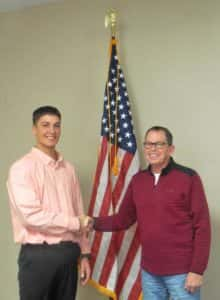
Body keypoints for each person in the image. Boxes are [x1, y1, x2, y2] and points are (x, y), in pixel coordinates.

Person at [85, 126, 211, 300]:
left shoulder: (188, 178)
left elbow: (202, 227)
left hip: (182, 273)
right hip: (150, 272)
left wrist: (197, 270)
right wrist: (92, 222)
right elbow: (123, 219)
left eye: (159, 144)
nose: (153, 149)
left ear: (171, 148)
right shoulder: (138, 181)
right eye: (149, 144)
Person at [7, 106, 91, 300]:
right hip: (39, 257)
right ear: (34, 129)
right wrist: (75, 223)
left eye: (56, 126)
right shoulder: (22, 168)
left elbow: (79, 211)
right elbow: (31, 217)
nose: (51, 131)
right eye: (45, 125)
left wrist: (85, 253)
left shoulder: (68, 169)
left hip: (69, 254)